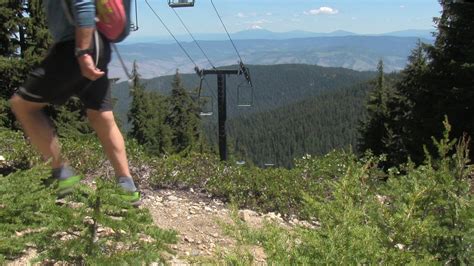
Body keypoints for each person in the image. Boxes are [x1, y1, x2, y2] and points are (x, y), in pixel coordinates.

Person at [10, 0, 140, 205]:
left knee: (22, 105)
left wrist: (82, 51)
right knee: (101, 116)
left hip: (76, 48)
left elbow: (83, 3)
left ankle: (62, 175)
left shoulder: (79, 48)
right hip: (99, 45)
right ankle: (127, 187)